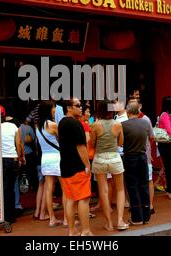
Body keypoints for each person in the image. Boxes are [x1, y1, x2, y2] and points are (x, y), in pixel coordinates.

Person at [90, 100, 129, 231]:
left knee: (103, 191)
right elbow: (121, 142)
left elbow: (93, 143)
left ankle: (109, 223)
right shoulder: (118, 124)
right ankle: (120, 220)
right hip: (114, 157)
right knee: (120, 189)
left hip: (100, 157)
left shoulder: (95, 125)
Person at [58, 98, 93, 236]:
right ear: (69, 108)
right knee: (83, 199)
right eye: (78, 106)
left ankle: (72, 231)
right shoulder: (75, 124)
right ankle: (86, 230)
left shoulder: (62, 123)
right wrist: (87, 165)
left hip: (65, 166)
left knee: (70, 199)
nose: (81, 108)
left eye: (81, 106)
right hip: (77, 167)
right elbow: (81, 146)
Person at [121, 101, 155, 225]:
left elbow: (120, 142)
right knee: (144, 185)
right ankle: (146, 215)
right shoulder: (145, 122)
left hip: (130, 156)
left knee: (132, 186)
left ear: (128, 111)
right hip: (143, 155)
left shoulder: (123, 125)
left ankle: (137, 217)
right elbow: (152, 137)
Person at [35, 100, 66, 227]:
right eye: (53, 108)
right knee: (65, 189)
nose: (55, 110)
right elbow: (62, 140)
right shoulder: (53, 125)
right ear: (48, 110)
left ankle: (52, 218)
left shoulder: (37, 126)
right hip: (57, 158)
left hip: (45, 159)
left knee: (49, 189)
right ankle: (66, 219)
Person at [0, 104, 24, 223]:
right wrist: (20, 157)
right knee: (10, 188)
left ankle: (0, 215)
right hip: (12, 159)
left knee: (1, 188)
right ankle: (10, 216)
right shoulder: (13, 126)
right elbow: (18, 143)